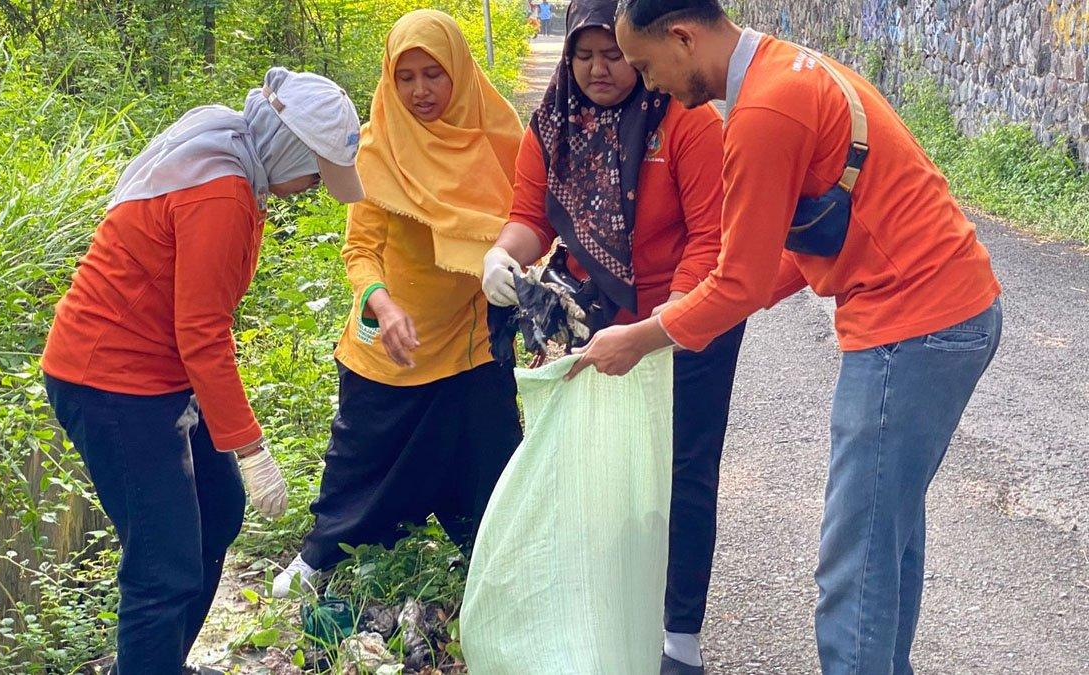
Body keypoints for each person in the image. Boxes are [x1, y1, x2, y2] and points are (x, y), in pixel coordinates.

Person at [574, 1, 1004, 673]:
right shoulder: (786, 69)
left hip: (911, 329)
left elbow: (739, 285)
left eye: (645, 65)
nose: (647, 83)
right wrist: (693, 307)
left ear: (683, 38)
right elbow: (784, 254)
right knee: (887, 539)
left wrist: (642, 338)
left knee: (855, 561)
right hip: (952, 314)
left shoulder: (762, 114)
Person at [41, 67, 364, 674]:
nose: (314, 186)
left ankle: (159, 663)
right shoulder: (221, 192)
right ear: (291, 145)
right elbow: (202, 333)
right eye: (316, 172)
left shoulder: (235, 161)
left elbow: (196, 321)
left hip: (155, 376)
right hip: (110, 380)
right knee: (163, 564)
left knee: (217, 513)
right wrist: (250, 447)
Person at [481, 0, 739, 671]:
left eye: (615, 54)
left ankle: (677, 631)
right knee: (597, 462)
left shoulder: (682, 120)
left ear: (641, 48)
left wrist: (665, 327)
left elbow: (710, 236)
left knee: (681, 466)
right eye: (584, 53)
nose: (599, 69)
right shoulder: (552, 123)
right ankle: (599, 604)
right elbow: (528, 219)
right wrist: (503, 258)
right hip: (592, 310)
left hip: (691, 311)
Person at [272, 9, 525, 597]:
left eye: (433, 74)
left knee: (487, 466)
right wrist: (382, 305)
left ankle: (492, 568)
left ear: (458, 71)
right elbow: (360, 250)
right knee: (360, 459)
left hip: (472, 343)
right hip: (394, 344)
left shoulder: (500, 139)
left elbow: (529, 221)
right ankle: (320, 559)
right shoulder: (377, 146)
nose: (419, 91)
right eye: (405, 76)